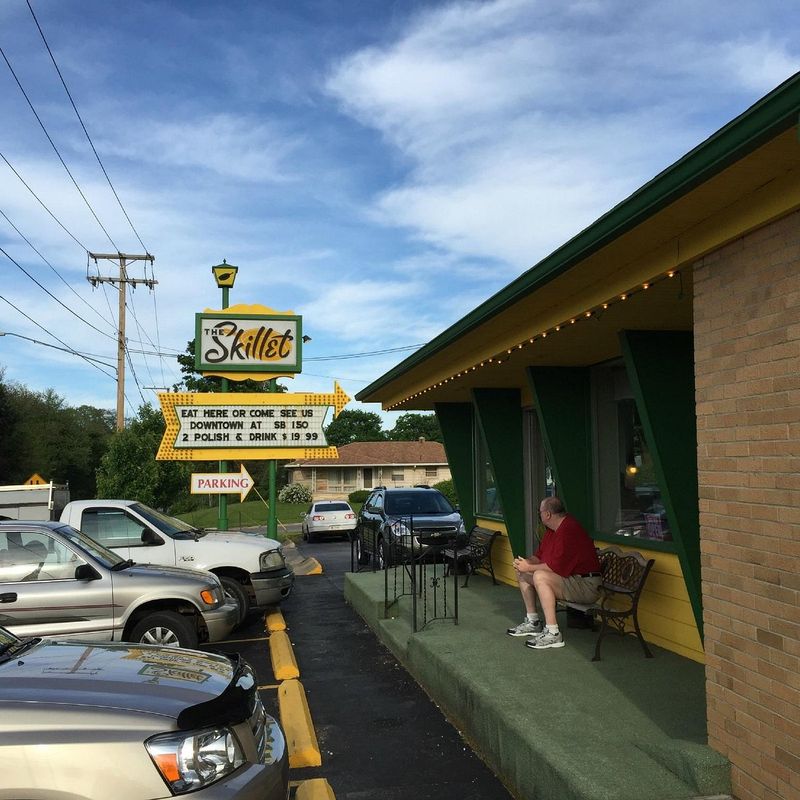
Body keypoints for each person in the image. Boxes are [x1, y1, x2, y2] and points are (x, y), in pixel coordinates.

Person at [506, 496, 601, 650]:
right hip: (572, 580)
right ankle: (533, 622)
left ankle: (553, 633)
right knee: (522, 572)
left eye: (540, 512)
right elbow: (539, 557)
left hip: (586, 585)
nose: (539, 515)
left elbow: (555, 567)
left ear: (548, 514)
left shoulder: (569, 529)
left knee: (540, 576)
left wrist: (528, 567)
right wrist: (525, 563)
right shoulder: (552, 530)